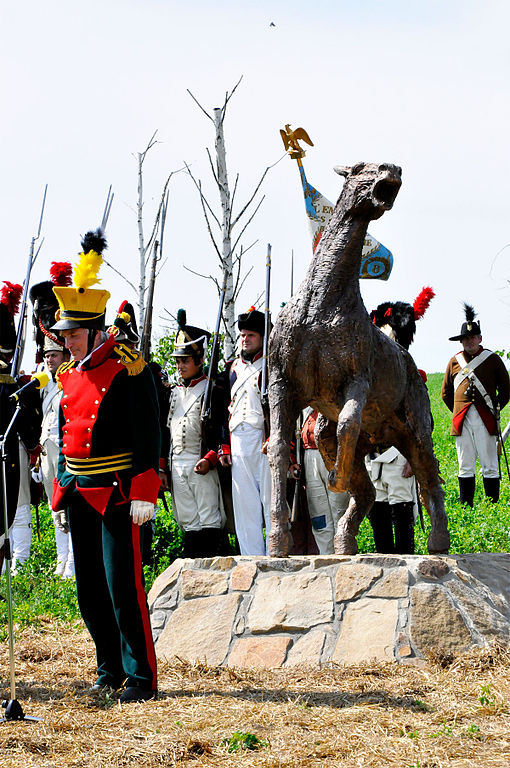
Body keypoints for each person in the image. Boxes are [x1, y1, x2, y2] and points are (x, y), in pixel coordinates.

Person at [51, 229, 160, 703]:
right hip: (80, 490)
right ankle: (108, 667)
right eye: (64, 335)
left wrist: (144, 490)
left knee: (123, 587)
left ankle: (140, 677)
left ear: (95, 330)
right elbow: (64, 434)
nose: (67, 342)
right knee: (89, 590)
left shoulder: (128, 367)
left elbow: (148, 432)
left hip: (118, 491)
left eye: (73, 334)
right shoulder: (66, 374)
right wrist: (61, 488)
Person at [366, 287, 435, 553]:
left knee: (402, 517)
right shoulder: (369, 376)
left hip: (399, 455)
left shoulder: (411, 374)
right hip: (373, 456)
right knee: (378, 516)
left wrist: (413, 457)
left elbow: (423, 420)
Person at [160, 310, 226, 557]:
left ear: (199, 361)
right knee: (187, 518)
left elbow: (221, 428)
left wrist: (210, 457)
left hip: (201, 462)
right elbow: (165, 431)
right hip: (177, 463)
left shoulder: (212, 390)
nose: (180, 366)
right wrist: (162, 467)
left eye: (185, 361)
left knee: (209, 515)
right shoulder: (173, 392)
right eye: (178, 361)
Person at [441, 303, 509, 505]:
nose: (469, 341)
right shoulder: (454, 362)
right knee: (465, 465)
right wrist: (458, 411)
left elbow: (506, 389)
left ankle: (492, 503)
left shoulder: (492, 359)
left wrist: (495, 408)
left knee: (489, 465)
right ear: (461, 341)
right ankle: (466, 504)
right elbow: (446, 392)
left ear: (480, 338)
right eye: (465, 339)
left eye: (472, 337)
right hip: (462, 420)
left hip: (486, 417)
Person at [30, 264, 74, 576]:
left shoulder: (71, 381)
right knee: (53, 506)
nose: (49, 359)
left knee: (69, 506)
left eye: (54, 356)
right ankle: (61, 559)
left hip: (67, 451)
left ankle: (73, 561)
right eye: (46, 356)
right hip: (48, 450)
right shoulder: (44, 385)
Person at [218, 307, 271, 555]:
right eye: (243, 335)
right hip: (238, 441)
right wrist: (224, 446)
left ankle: (275, 553)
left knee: (271, 504)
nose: (245, 339)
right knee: (244, 507)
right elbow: (220, 411)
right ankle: (252, 558)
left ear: (262, 338)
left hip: (263, 440)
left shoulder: (271, 366)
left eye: (251, 335)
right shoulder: (231, 369)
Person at [0, 282, 41, 576]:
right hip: (9, 449)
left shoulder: (14, 385)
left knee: (15, 509)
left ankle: (18, 561)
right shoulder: (11, 386)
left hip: (11, 450)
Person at [300, 407, 349, 554]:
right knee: (318, 516)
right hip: (310, 455)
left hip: (334, 454)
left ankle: (342, 554)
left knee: (338, 510)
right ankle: (326, 556)